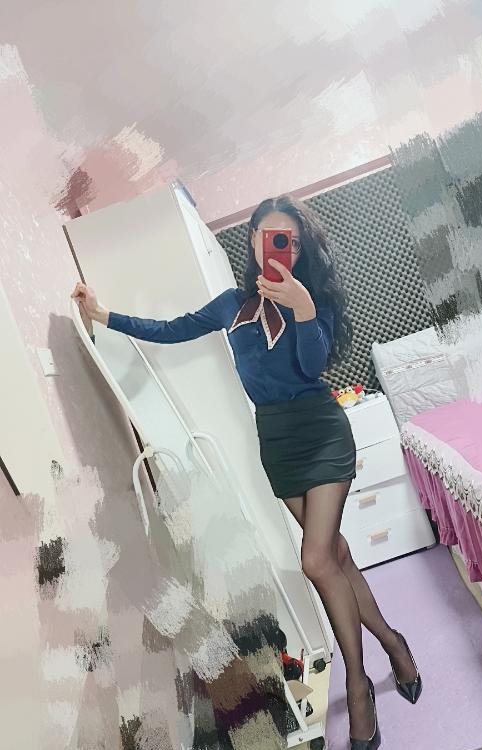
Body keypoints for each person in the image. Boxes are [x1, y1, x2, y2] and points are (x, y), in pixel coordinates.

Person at [71, 194, 421, 749]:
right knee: (336, 556)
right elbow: (171, 329)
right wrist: (102, 314)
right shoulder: (230, 306)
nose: (277, 247)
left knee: (315, 559)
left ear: (299, 250)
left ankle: (358, 686)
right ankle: (394, 643)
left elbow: (311, 365)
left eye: (290, 241)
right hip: (277, 442)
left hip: (321, 431)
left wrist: (303, 309)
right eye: (268, 236)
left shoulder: (315, 302)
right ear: (253, 240)